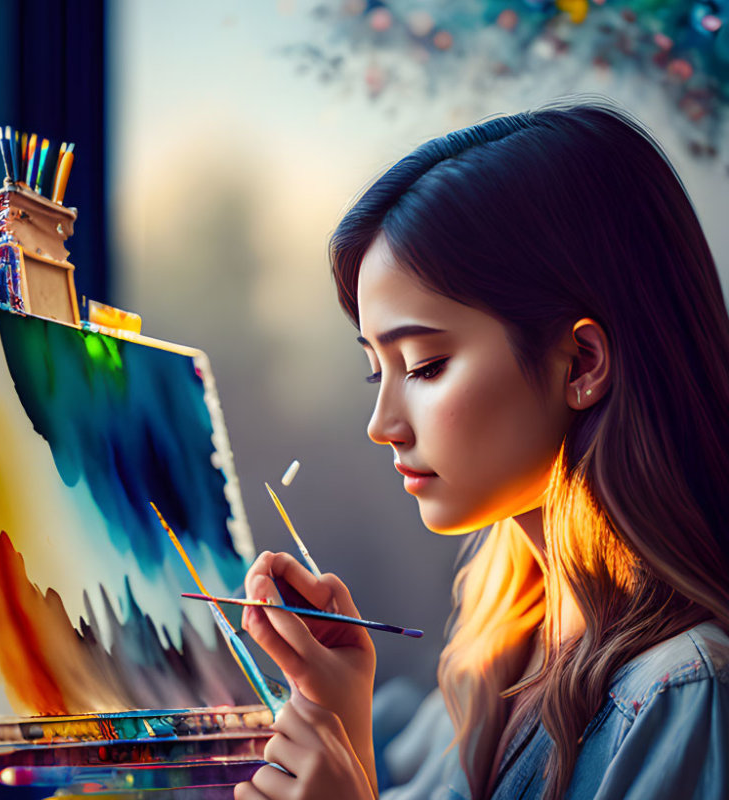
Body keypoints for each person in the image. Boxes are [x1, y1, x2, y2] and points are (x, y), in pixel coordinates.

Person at [233, 98, 729, 800]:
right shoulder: (503, 647)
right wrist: (341, 714)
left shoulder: (684, 694)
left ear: (582, 363)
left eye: (427, 366)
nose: (382, 423)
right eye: (378, 370)